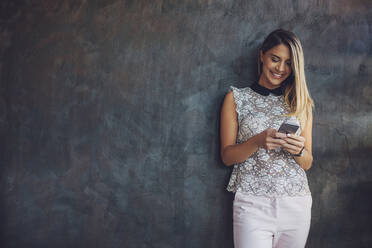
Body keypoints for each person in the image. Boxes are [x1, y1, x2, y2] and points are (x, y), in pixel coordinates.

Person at [220, 29, 314, 248]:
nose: (281, 68)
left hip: (296, 203)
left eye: (288, 63)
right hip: (252, 204)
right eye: (275, 59)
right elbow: (226, 156)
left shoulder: (302, 103)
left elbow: (307, 162)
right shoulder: (236, 98)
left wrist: (298, 150)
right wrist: (257, 141)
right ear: (262, 55)